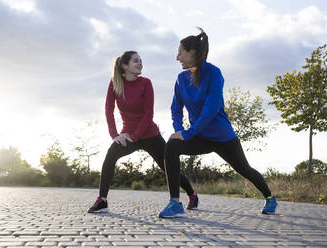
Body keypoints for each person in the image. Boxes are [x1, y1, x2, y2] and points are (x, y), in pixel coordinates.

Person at [158, 28, 278, 218]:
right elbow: (176, 108)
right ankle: (175, 203)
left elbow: (211, 110)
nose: (177, 57)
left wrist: (188, 133)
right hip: (199, 136)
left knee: (244, 169)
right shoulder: (181, 79)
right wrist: (180, 131)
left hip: (222, 136)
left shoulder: (214, 73)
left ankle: (270, 197)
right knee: (172, 145)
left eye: (180, 52)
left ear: (192, 53)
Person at [87, 51, 198, 213]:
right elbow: (108, 111)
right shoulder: (114, 84)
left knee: (167, 166)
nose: (140, 63)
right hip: (127, 135)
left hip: (149, 134)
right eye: (135, 61)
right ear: (125, 66)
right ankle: (102, 200)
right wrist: (115, 135)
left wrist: (134, 137)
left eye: (141, 61)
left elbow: (148, 115)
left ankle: (192, 194)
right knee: (110, 157)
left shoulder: (146, 83)